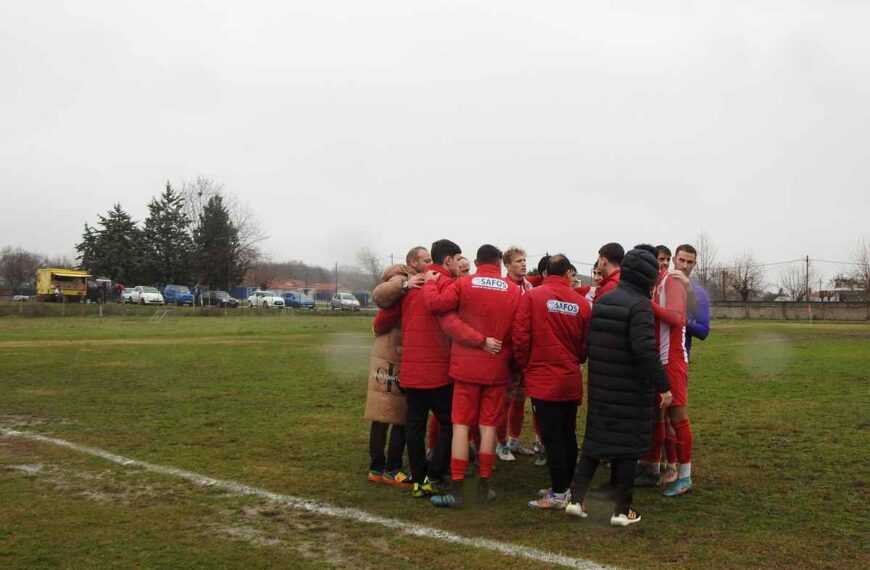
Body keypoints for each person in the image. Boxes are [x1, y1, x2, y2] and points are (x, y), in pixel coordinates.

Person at [566, 247, 672, 526]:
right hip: (630, 389)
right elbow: (644, 350)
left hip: (601, 385)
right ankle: (622, 511)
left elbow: (590, 341)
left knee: (593, 444)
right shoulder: (640, 306)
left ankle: (576, 501)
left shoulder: (603, 300)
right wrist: (663, 385)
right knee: (627, 449)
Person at [422, 244, 521, 507]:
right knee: (488, 427)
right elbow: (518, 331)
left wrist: (431, 283)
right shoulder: (513, 290)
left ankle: (456, 489)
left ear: (476, 261)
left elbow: (437, 306)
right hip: (497, 367)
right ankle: (483, 487)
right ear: (500, 261)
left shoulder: (465, 284)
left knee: (461, 426)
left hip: (465, 368)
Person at [400, 239, 495, 498]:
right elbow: (453, 324)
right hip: (438, 370)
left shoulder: (412, 285)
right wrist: (482, 341)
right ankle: (435, 472)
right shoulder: (447, 286)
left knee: (415, 425)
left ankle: (419, 479)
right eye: (457, 258)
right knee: (452, 423)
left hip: (410, 368)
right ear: (448, 260)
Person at [512, 254, 591, 509]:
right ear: (568, 272)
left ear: (545, 273)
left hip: (543, 378)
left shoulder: (532, 296)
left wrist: (526, 364)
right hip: (569, 377)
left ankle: (558, 493)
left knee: (552, 435)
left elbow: (520, 337)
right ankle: (566, 487)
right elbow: (584, 346)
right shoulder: (581, 303)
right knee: (568, 433)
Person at [363, 247, 431, 488]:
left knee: (389, 412)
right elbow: (380, 297)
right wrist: (405, 285)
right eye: (426, 260)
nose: (429, 264)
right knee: (395, 413)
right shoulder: (401, 278)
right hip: (392, 355)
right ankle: (387, 467)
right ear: (413, 262)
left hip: (395, 353)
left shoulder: (415, 280)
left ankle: (380, 467)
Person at [634, 242, 694, 497]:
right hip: (658, 360)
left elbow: (678, 318)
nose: (662, 264)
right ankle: (653, 468)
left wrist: (650, 307)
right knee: (656, 416)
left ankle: (685, 477)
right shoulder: (655, 284)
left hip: (673, 360)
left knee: (677, 418)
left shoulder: (672, 282)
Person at [495, 247, 537, 462]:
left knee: (521, 400)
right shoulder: (502, 287)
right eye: (518, 261)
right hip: (507, 352)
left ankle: (515, 440)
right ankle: (500, 444)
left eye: (524, 260)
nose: (523, 264)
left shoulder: (529, 286)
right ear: (507, 265)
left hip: (526, 352)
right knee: (505, 401)